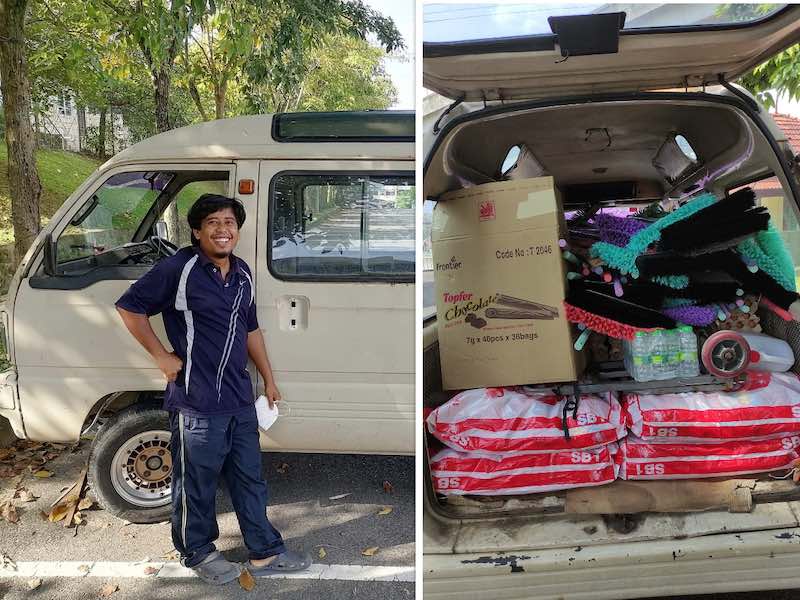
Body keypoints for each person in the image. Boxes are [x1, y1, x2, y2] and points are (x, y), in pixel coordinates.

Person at [115, 194, 311, 584]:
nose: (223, 230)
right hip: (196, 401)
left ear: (237, 230)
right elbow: (129, 307)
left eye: (229, 223)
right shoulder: (179, 269)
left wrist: (269, 379)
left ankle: (264, 551)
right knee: (196, 485)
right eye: (213, 223)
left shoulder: (242, 273)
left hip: (239, 399)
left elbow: (250, 329)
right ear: (197, 231)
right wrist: (161, 356)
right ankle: (198, 552)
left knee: (249, 479)